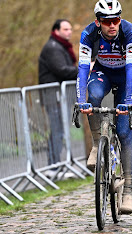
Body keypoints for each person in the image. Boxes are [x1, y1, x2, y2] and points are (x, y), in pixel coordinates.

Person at [76, 0, 132, 214]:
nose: (112, 25)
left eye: (116, 19)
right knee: (94, 95)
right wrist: (81, 101)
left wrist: (128, 103)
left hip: (126, 77)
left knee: (124, 131)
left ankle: (127, 191)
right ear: (98, 22)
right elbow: (82, 69)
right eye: (107, 21)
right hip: (103, 73)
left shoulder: (130, 32)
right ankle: (97, 144)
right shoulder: (88, 34)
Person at [38, 19, 78, 178]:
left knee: (60, 131)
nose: (69, 32)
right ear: (56, 31)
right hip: (53, 96)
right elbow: (61, 70)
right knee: (57, 131)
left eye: (70, 29)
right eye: (65, 29)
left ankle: (58, 166)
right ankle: (53, 167)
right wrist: (83, 69)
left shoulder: (60, 46)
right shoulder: (53, 47)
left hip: (59, 96)